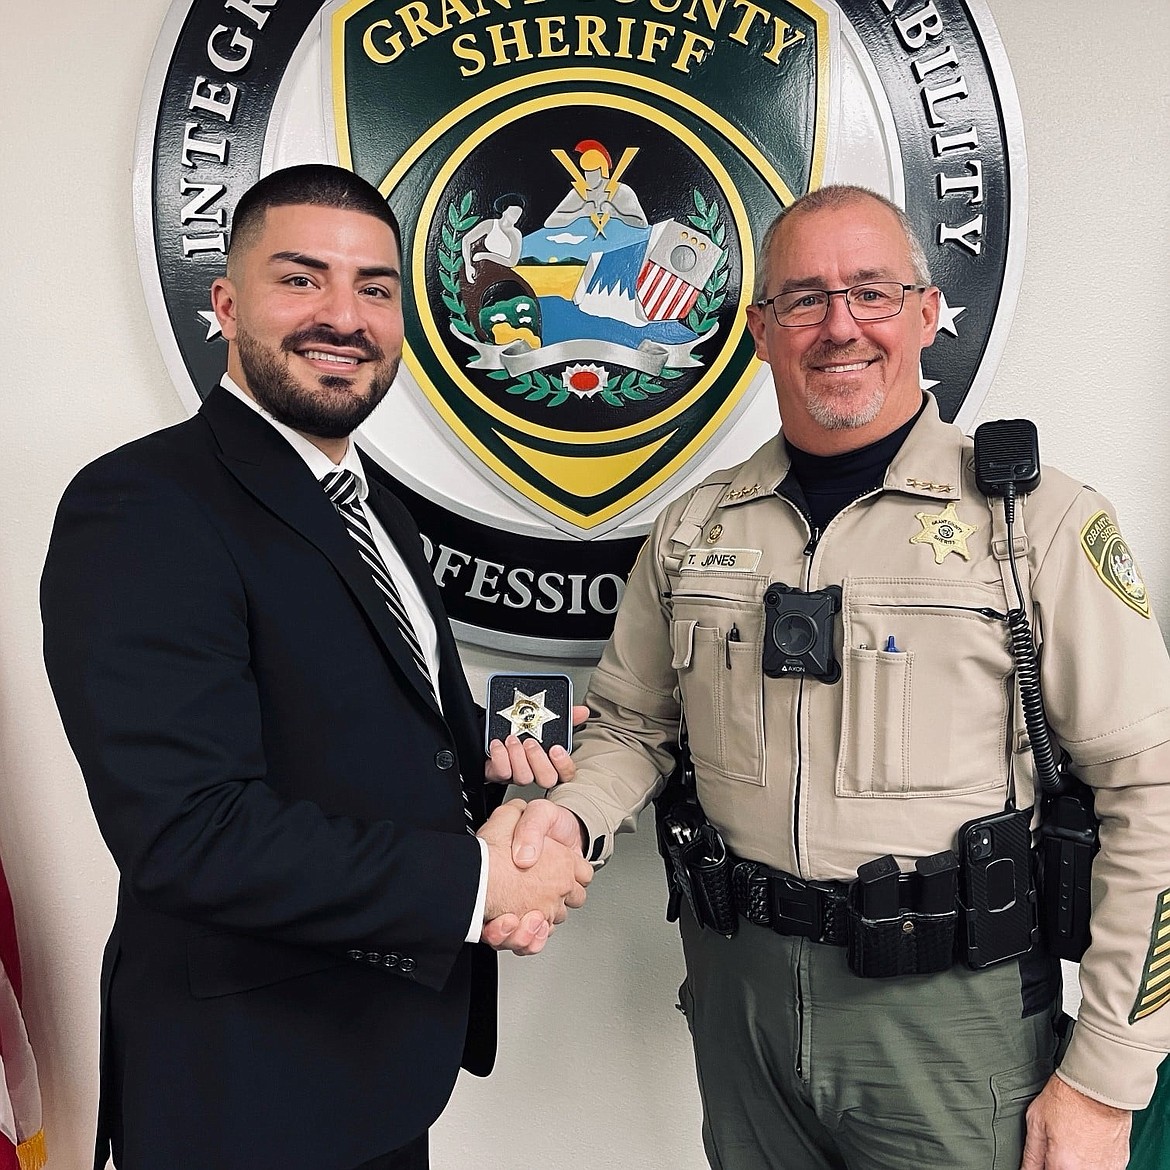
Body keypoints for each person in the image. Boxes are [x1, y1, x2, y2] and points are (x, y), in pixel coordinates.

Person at [512, 185, 1170, 1169]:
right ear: (760, 330)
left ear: (925, 312)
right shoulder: (696, 531)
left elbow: (1150, 791)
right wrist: (566, 821)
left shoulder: (1037, 525)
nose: (840, 326)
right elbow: (630, 726)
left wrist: (1107, 1078)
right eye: (805, 299)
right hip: (743, 1006)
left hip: (951, 1021)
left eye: (871, 292)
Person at [40, 164, 592, 1170]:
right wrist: (478, 884)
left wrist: (500, 759)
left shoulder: (373, 505)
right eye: (301, 279)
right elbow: (189, 831)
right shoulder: (143, 506)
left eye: (375, 289)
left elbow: (371, 721)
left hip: (375, 1066)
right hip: (246, 1093)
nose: (345, 316)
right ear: (226, 303)